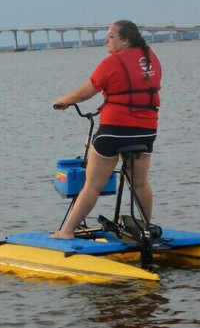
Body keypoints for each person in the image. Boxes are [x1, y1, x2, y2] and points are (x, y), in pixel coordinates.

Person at [50, 20, 161, 239]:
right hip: (146, 132)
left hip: (114, 131)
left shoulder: (112, 62)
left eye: (110, 36)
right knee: (139, 183)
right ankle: (146, 229)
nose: (106, 41)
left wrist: (63, 100)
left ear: (125, 40)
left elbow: (85, 93)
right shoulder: (150, 59)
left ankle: (66, 231)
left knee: (93, 185)